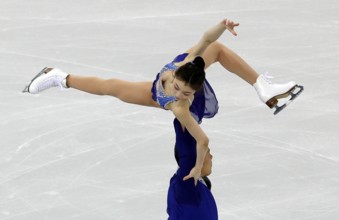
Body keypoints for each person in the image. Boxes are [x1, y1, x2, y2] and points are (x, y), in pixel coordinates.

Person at [23, 18, 303, 184]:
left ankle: (261, 87)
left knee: (215, 49)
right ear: (177, 74)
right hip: (156, 94)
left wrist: (197, 168)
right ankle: (59, 77)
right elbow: (205, 38)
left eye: (188, 94)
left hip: (172, 94)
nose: (182, 96)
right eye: (181, 89)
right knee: (110, 87)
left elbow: (203, 141)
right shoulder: (180, 80)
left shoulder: (182, 104)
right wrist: (221, 24)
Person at [167, 118, 217, 219]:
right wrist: (183, 113)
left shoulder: (201, 183)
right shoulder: (186, 182)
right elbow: (186, 144)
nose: (211, 157)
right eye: (208, 152)